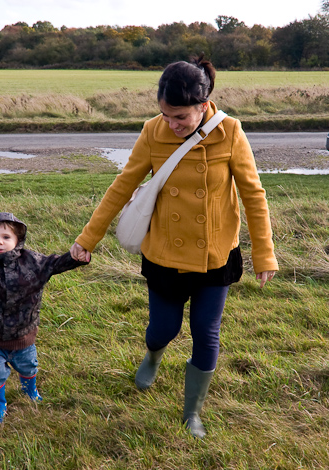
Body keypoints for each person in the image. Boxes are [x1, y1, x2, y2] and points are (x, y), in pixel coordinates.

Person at [70, 56, 278, 439]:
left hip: (215, 254)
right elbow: (122, 185)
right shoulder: (153, 132)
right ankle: (153, 354)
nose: (172, 124)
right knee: (162, 329)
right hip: (164, 253)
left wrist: (264, 251)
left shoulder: (230, 131)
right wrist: (88, 238)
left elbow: (253, 194)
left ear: (203, 105)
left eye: (180, 117)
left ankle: (192, 413)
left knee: (206, 331)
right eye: (166, 115)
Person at [0, 207, 87, 426]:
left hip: (23, 333)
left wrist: (78, 258)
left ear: (18, 239)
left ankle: (30, 391)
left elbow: (56, 263)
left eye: (6, 237)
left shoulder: (33, 261)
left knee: (28, 365)